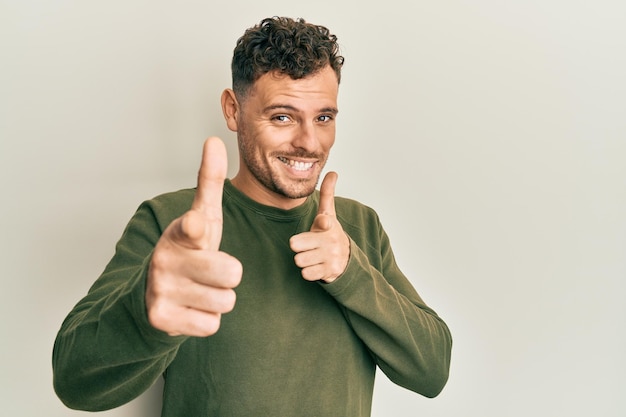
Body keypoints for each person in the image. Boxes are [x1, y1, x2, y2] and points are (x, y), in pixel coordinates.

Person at [52, 16, 452, 417]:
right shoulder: (172, 222)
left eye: (324, 118)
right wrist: (144, 307)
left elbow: (432, 372)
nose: (309, 143)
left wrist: (351, 273)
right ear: (233, 110)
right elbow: (74, 383)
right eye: (282, 117)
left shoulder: (359, 227)